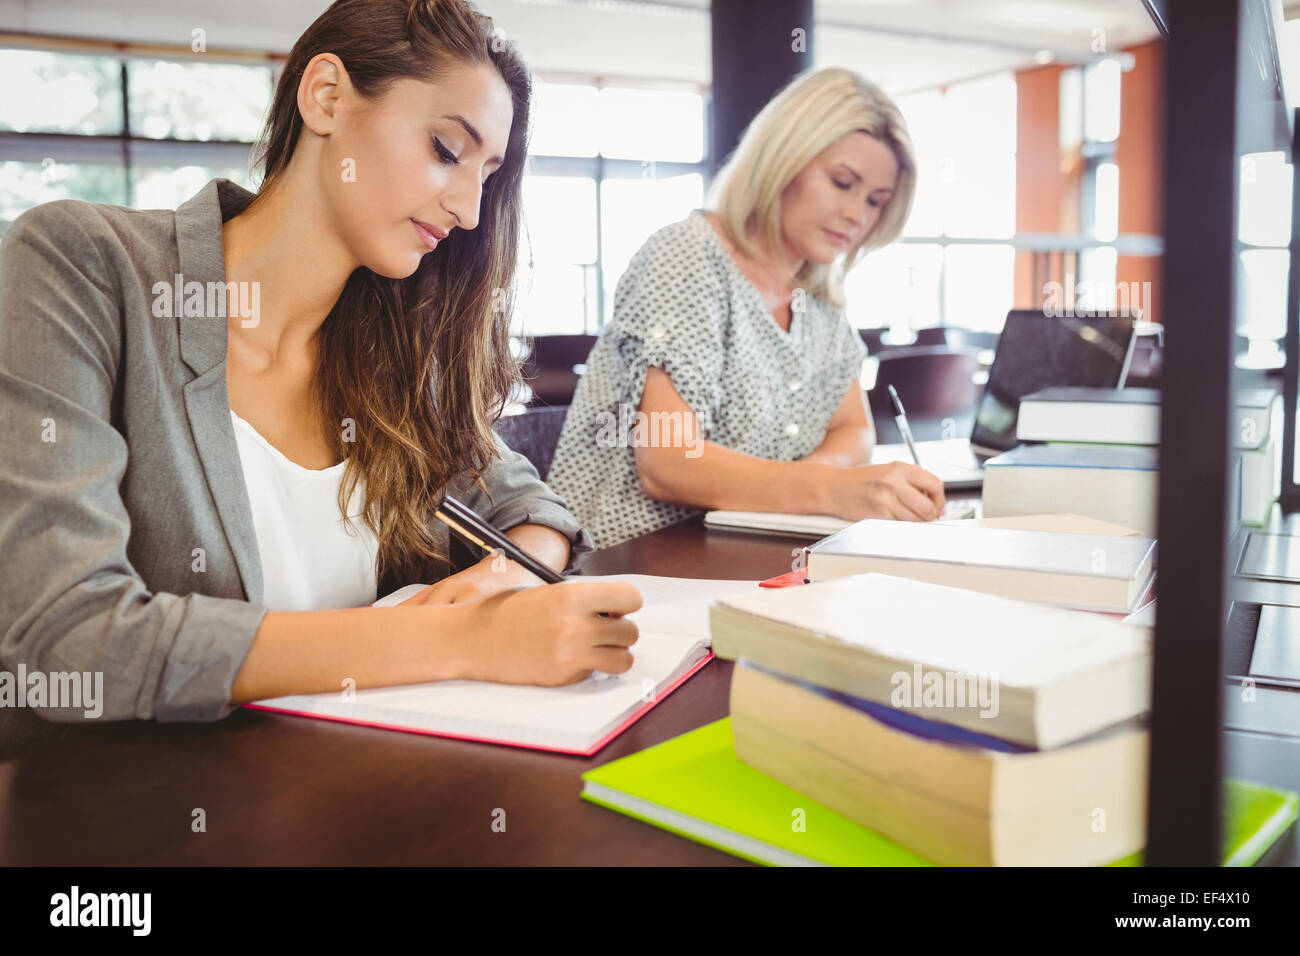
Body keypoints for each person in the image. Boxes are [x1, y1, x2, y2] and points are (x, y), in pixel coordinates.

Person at [0, 0, 640, 755]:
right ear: (326, 98)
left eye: (487, 176)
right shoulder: (81, 265)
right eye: (444, 148)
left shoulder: (390, 348)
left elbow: (525, 501)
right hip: (140, 816)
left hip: (345, 790)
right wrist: (457, 639)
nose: (469, 210)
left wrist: (508, 578)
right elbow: (69, 638)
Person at [548, 68, 946, 550]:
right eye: (842, 182)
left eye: (876, 201)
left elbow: (854, 430)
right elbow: (670, 462)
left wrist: (798, 491)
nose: (857, 215)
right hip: (627, 563)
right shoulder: (686, 257)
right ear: (784, 160)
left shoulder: (819, 297)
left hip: (744, 552)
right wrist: (828, 490)